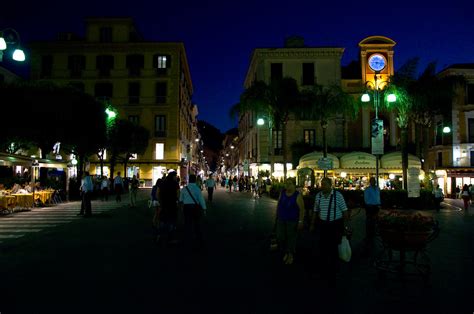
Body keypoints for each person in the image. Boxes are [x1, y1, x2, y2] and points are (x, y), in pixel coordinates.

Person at [310, 177, 350, 285]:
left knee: (333, 247)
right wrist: (312, 224)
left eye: (325, 184)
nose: (322, 186)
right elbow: (315, 211)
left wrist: (346, 227)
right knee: (323, 246)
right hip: (323, 225)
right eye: (321, 184)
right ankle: (324, 267)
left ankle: (334, 269)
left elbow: (345, 211)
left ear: (330, 185)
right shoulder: (318, 196)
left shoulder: (338, 196)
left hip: (335, 225)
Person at [275, 178, 305, 265]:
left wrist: (300, 221)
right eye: (286, 183)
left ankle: (290, 254)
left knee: (291, 238)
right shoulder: (282, 193)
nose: (288, 185)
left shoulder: (297, 195)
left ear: (294, 185)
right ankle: (286, 251)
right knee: (280, 237)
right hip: (281, 219)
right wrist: (277, 216)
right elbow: (278, 204)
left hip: (292, 221)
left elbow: (302, 209)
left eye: (290, 184)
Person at [179, 174, 207, 249]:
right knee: (196, 223)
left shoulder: (184, 189)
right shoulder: (197, 189)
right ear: (195, 180)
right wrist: (204, 208)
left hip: (186, 208)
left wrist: (181, 209)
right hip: (195, 208)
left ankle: (187, 238)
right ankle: (198, 238)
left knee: (187, 222)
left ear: (189, 180)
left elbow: (181, 199)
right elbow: (201, 199)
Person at [158, 171, 180, 245]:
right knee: (171, 221)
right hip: (172, 204)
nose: (176, 177)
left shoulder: (162, 183)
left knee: (163, 220)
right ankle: (170, 238)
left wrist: (160, 202)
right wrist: (178, 201)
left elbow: (158, 193)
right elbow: (178, 194)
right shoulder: (175, 183)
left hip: (164, 204)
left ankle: (160, 235)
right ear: (173, 176)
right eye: (175, 176)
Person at [363, 177, 381, 254]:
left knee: (375, 219)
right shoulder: (367, 189)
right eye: (372, 181)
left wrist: (379, 204)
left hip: (376, 206)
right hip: (370, 206)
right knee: (369, 219)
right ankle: (369, 233)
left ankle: (373, 232)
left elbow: (378, 197)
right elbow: (366, 199)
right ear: (370, 182)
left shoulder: (377, 189)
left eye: (374, 181)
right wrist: (369, 205)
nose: (373, 182)